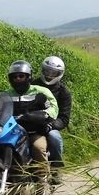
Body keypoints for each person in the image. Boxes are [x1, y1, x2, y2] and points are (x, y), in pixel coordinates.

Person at [6, 60, 58, 195]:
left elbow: (53, 108)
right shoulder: (6, 95)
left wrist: (43, 115)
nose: (18, 79)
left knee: (38, 148)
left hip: (34, 132)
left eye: (21, 76)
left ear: (28, 77)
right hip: (12, 133)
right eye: (15, 76)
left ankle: (42, 185)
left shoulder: (40, 92)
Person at [34, 55, 71, 185]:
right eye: (47, 71)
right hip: (30, 122)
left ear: (59, 74)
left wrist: (51, 124)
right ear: (42, 70)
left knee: (55, 138)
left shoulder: (63, 92)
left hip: (50, 125)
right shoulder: (33, 85)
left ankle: (56, 168)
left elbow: (64, 118)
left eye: (53, 73)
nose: (49, 75)